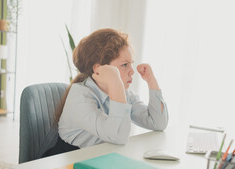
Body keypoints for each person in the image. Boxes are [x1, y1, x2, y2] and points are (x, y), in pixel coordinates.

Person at [42, 28, 168, 157]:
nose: (132, 71)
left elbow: (157, 123)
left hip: (98, 159)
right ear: (98, 69)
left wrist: (151, 81)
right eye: (124, 65)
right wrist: (115, 83)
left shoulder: (123, 93)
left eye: (131, 64)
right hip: (68, 162)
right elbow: (118, 136)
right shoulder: (80, 97)